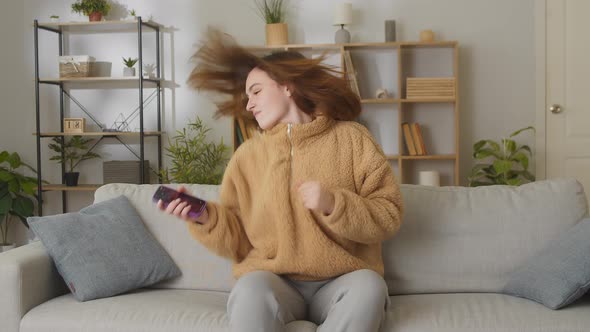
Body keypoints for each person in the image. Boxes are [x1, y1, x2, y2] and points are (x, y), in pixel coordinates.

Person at [157, 29, 404, 332]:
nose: (249, 105)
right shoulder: (247, 156)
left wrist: (334, 204)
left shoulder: (353, 139)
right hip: (275, 281)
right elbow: (238, 240)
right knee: (249, 290)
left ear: (288, 87)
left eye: (256, 91)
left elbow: (389, 214)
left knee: (370, 287)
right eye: (247, 96)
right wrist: (206, 217)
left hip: (344, 279)